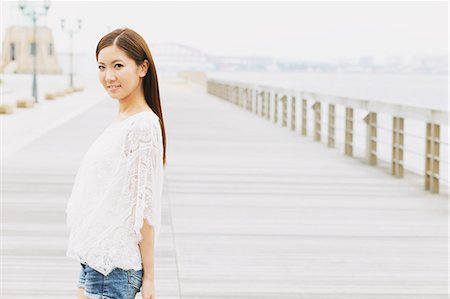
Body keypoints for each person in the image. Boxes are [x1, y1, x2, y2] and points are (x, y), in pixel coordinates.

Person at [65, 27, 167, 299]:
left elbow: (143, 208)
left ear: (142, 67)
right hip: (95, 259)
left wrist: (150, 278)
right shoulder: (122, 120)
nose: (109, 76)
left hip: (115, 268)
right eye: (102, 66)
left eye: (118, 66)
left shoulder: (143, 126)